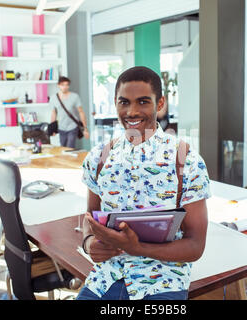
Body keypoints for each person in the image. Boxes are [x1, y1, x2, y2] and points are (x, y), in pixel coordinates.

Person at [77, 66, 211, 300]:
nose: (132, 111)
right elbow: (91, 215)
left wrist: (136, 248)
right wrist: (89, 243)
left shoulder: (186, 160)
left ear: (160, 104)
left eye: (142, 102)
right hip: (105, 278)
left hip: (161, 283)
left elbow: (195, 246)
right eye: (124, 102)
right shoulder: (98, 158)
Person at [49, 76, 89, 148]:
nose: (65, 87)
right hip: (61, 127)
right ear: (58, 85)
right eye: (63, 85)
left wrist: (85, 128)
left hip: (73, 126)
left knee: (70, 147)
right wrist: (52, 129)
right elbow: (53, 113)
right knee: (63, 148)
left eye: (67, 85)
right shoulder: (53, 98)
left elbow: (81, 112)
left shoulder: (75, 97)